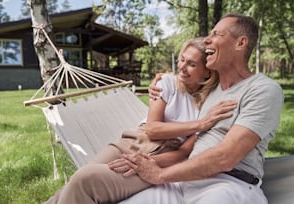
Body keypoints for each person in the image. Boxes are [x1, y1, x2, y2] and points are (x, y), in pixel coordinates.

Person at [44, 37, 237, 204]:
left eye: (191, 64)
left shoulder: (210, 105)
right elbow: (152, 129)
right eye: (181, 60)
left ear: (207, 72)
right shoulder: (168, 83)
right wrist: (200, 124)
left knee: (83, 181)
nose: (182, 68)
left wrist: (147, 163)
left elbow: (183, 153)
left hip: (162, 157)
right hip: (132, 141)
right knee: (71, 188)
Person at [117, 13, 284, 204]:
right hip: (184, 182)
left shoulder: (262, 89)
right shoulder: (209, 90)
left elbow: (225, 158)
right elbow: (187, 76)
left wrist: (160, 175)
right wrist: (162, 79)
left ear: (240, 43)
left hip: (228, 185)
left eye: (217, 34)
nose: (207, 40)